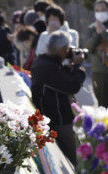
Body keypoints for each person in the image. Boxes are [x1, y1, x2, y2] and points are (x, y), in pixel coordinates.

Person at [29, 30, 86, 164]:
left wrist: (66, 67)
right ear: (64, 50)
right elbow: (72, 86)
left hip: (52, 117)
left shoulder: (41, 61)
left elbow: (59, 81)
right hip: (59, 121)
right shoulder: (49, 68)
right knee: (78, 159)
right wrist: (78, 66)